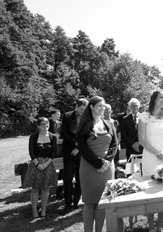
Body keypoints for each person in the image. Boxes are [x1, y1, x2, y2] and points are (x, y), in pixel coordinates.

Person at [77, 96, 118, 232]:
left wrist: (107, 161)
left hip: (107, 168)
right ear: (91, 107)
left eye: (104, 106)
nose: (102, 109)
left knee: (103, 201)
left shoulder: (109, 123)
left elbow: (114, 144)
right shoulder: (83, 125)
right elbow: (82, 148)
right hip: (89, 167)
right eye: (99, 106)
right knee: (89, 202)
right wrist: (98, 163)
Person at [138, 89, 163, 232]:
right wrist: (157, 153)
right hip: (150, 156)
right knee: (150, 189)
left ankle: (160, 226)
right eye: (161, 97)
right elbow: (142, 140)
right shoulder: (144, 116)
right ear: (154, 99)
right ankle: (151, 226)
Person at [23, 117, 58, 218]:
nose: (45, 125)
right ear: (38, 126)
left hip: (48, 164)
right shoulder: (33, 137)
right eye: (42, 124)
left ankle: (43, 211)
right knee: (35, 188)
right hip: (35, 164)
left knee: (45, 188)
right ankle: (34, 211)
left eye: (47, 123)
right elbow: (31, 152)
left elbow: (54, 153)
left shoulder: (53, 137)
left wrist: (46, 164)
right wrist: (37, 164)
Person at [61, 98, 88, 214]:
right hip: (68, 152)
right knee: (67, 178)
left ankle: (76, 202)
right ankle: (67, 204)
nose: (83, 112)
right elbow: (64, 133)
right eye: (81, 109)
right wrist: (74, 143)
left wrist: (78, 147)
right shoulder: (67, 116)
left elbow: (87, 134)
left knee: (80, 178)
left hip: (81, 152)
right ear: (76, 106)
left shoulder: (87, 118)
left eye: (85, 110)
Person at [48, 109, 64, 200]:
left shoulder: (61, 123)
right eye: (57, 114)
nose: (59, 115)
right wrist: (54, 136)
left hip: (61, 149)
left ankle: (59, 192)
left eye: (59, 114)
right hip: (51, 150)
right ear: (52, 115)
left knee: (62, 170)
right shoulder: (47, 123)